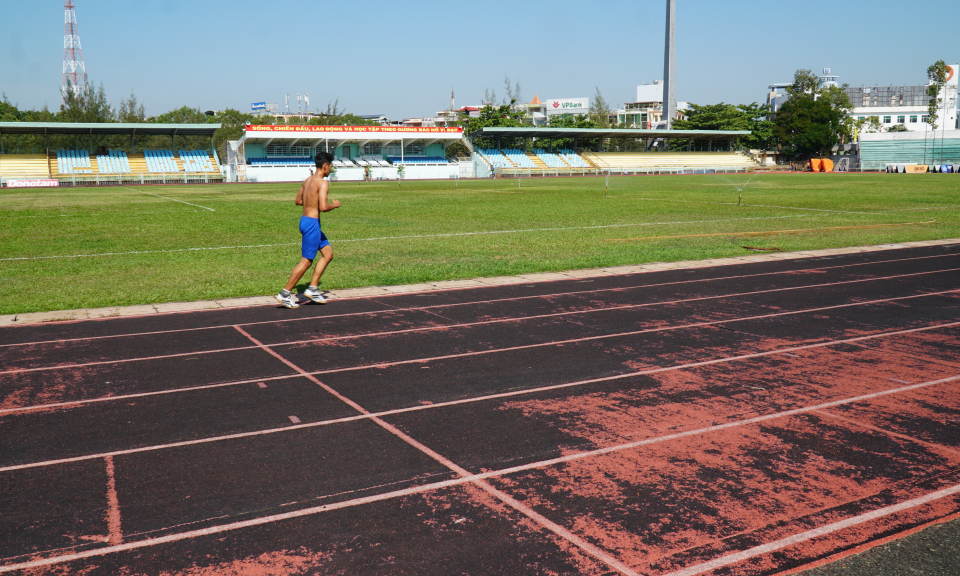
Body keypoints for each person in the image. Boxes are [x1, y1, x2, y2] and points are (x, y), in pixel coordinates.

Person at [275, 152, 341, 309]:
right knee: (306, 261)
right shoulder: (323, 183)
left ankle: (312, 289)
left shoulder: (307, 181)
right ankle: (285, 294)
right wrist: (335, 205)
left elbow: (298, 201)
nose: (331, 169)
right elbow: (324, 207)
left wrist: (311, 201)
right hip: (312, 224)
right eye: (331, 166)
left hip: (305, 221)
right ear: (325, 166)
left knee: (328, 254)